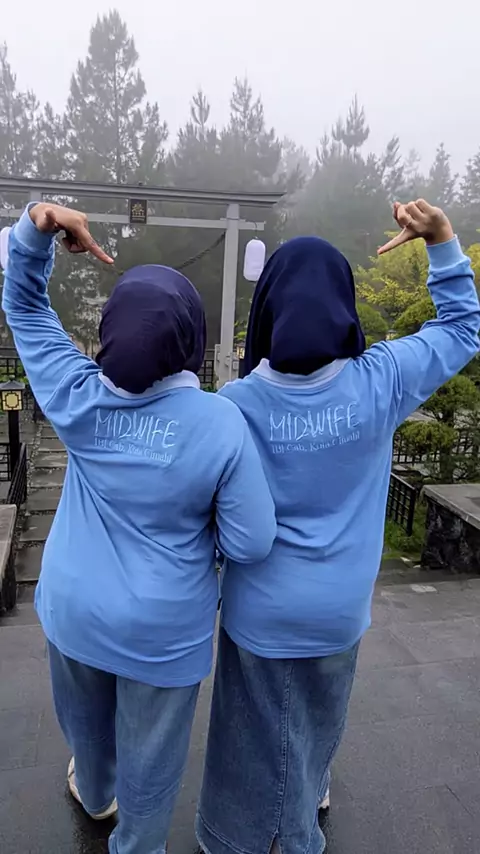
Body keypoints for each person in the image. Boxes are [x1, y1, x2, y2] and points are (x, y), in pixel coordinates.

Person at [196, 200, 480, 854]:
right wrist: (441, 240)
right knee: (319, 719)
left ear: (267, 308)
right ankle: (306, 804)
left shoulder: (235, 405)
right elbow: (464, 328)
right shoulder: (380, 382)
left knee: (249, 733)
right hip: (340, 611)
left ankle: (238, 839)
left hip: (258, 611)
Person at [2, 202, 277, 854]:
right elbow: (250, 541)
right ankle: (139, 843)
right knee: (152, 761)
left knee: (86, 725)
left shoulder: (78, 394)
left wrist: (38, 226)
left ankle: (95, 793)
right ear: (190, 337)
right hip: (163, 628)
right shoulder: (220, 422)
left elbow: (25, 308)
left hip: (74, 609)